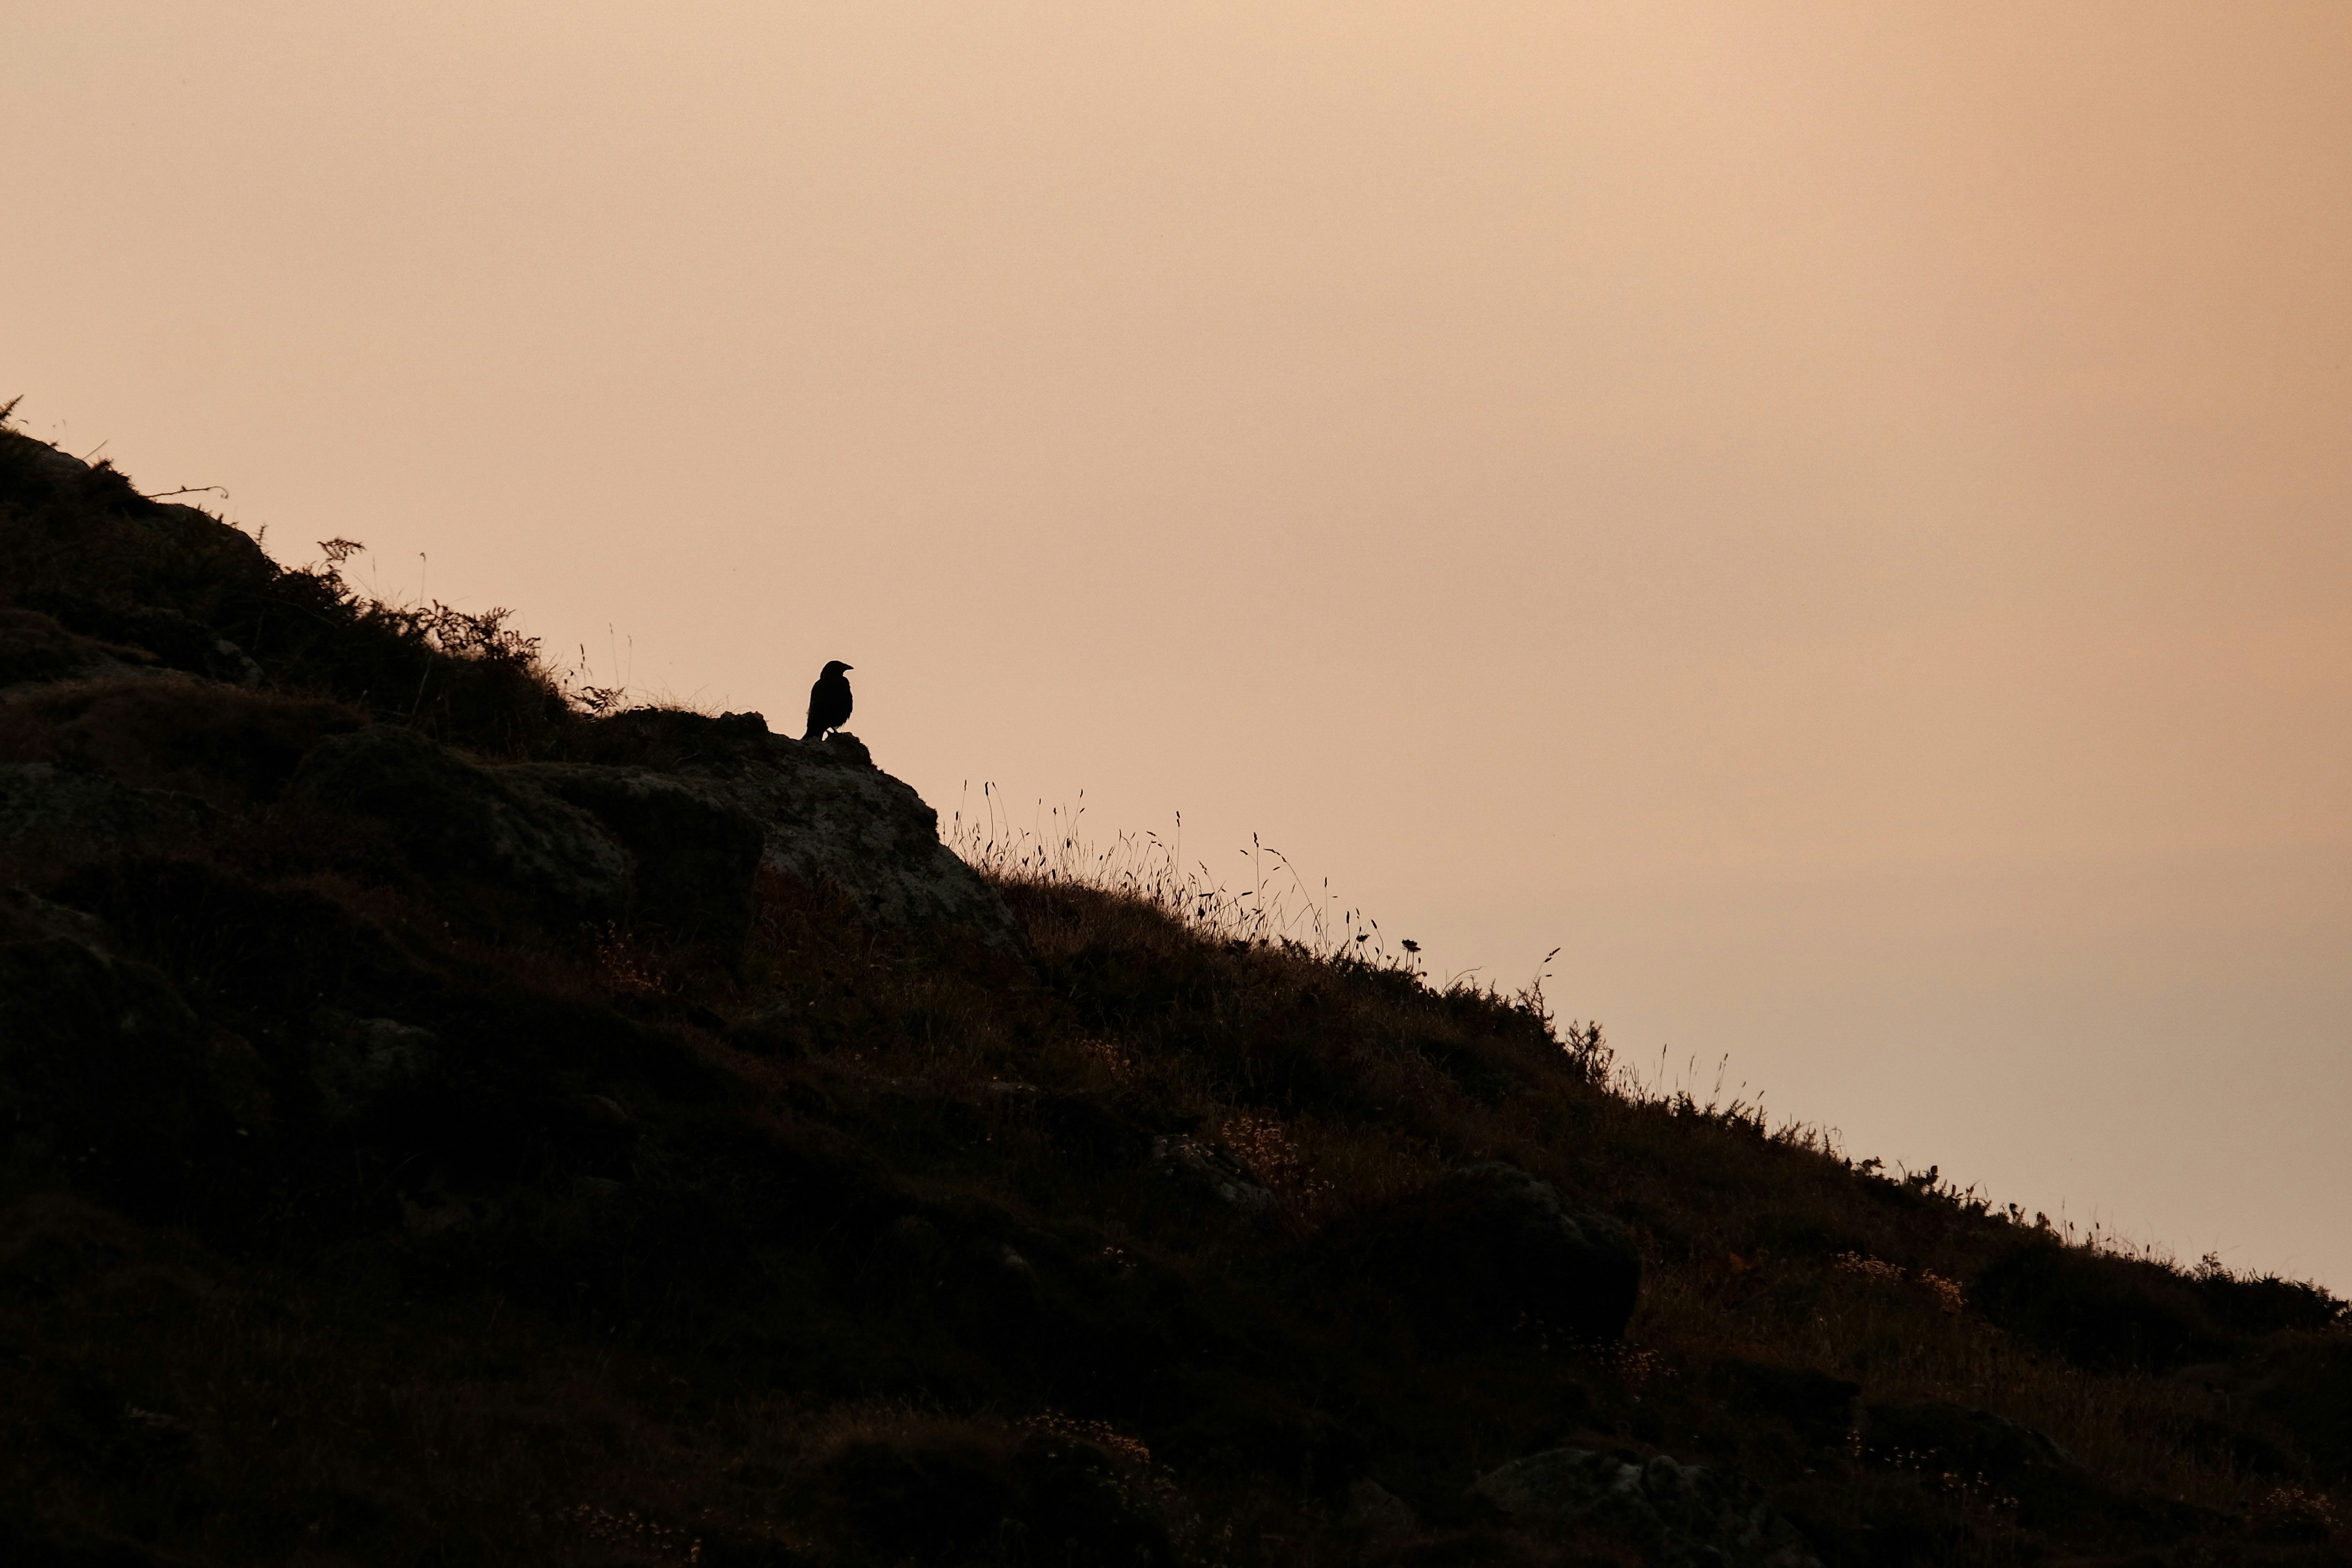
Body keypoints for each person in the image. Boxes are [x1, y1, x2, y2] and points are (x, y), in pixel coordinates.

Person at [804, 660, 853, 741]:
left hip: (820, 717)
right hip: (820, 718)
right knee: (814, 736)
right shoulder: (822, 685)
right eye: (839, 668)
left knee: (813, 737)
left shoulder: (821, 685)